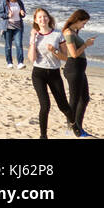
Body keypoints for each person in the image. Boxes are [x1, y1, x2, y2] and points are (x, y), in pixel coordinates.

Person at [29, 8, 75, 139]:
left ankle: (74, 125)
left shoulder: (57, 34)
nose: (42, 19)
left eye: (44, 17)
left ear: (49, 18)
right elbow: (32, 59)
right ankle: (43, 136)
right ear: (35, 20)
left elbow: (65, 57)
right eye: (39, 17)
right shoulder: (35, 36)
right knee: (45, 106)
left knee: (63, 106)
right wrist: (32, 39)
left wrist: (54, 50)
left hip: (54, 73)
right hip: (38, 73)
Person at [60, 9, 94, 137]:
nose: (84, 25)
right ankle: (73, 128)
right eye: (83, 23)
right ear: (77, 20)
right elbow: (73, 54)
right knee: (74, 99)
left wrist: (85, 44)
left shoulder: (74, 32)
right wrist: (86, 44)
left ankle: (78, 126)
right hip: (73, 68)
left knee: (84, 98)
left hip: (79, 69)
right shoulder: (68, 32)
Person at [0, 0, 26, 68]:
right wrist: (7, 15)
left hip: (18, 27)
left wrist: (23, 13)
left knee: (19, 44)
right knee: (8, 46)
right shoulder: (4, 2)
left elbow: (23, 14)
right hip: (8, 27)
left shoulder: (20, 2)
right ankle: (9, 63)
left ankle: (20, 63)